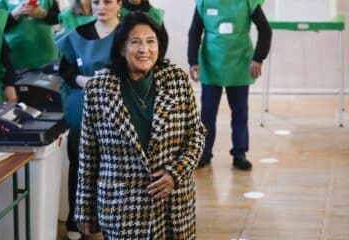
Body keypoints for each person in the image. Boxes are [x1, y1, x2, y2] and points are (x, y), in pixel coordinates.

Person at [74, 12, 206, 239]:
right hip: (122, 208)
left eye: (150, 41)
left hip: (171, 204)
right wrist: (84, 207)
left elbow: (196, 135)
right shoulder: (98, 90)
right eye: (135, 42)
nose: (144, 49)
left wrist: (176, 173)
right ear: (121, 48)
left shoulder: (177, 80)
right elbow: (88, 154)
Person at [56, 0, 122, 239]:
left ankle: (110, 220)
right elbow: (65, 69)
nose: (101, 7)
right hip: (81, 107)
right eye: (96, 2)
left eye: (107, 2)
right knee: (79, 163)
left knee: (112, 167)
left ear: (119, 4)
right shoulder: (79, 34)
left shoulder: (127, 33)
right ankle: (77, 219)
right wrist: (81, 80)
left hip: (116, 109)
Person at [188, 0, 272, 170]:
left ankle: (240, 154)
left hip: (239, 63)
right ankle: (204, 153)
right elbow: (195, 32)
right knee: (207, 114)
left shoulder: (248, 3)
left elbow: (265, 30)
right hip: (212, 63)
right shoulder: (204, 3)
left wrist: (258, 58)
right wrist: (192, 61)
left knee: (240, 112)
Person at [0, 0, 60, 69]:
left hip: (46, 51)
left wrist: (44, 14)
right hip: (17, 54)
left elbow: (58, 18)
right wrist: (14, 14)